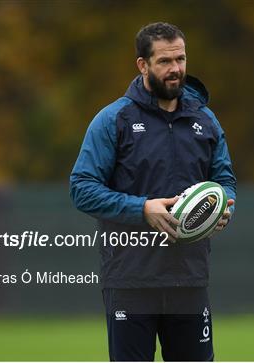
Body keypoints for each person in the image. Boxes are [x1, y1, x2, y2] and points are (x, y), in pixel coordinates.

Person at [70, 22, 236, 361]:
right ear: (143, 65)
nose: (176, 69)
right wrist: (142, 208)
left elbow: (224, 179)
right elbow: (82, 188)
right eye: (164, 61)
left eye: (181, 59)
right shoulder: (113, 120)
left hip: (189, 279)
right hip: (131, 280)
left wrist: (223, 207)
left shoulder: (205, 121)